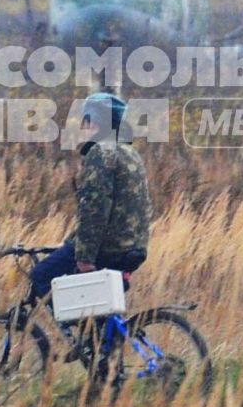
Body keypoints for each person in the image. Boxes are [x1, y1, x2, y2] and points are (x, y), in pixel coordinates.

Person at [29, 91, 152, 302]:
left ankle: (68, 328)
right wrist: (71, 243)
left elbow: (94, 210)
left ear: (95, 122)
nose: (84, 127)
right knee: (100, 315)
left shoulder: (100, 153)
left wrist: (84, 257)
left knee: (39, 275)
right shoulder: (130, 152)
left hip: (109, 248)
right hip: (134, 246)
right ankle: (100, 332)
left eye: (86, 120)